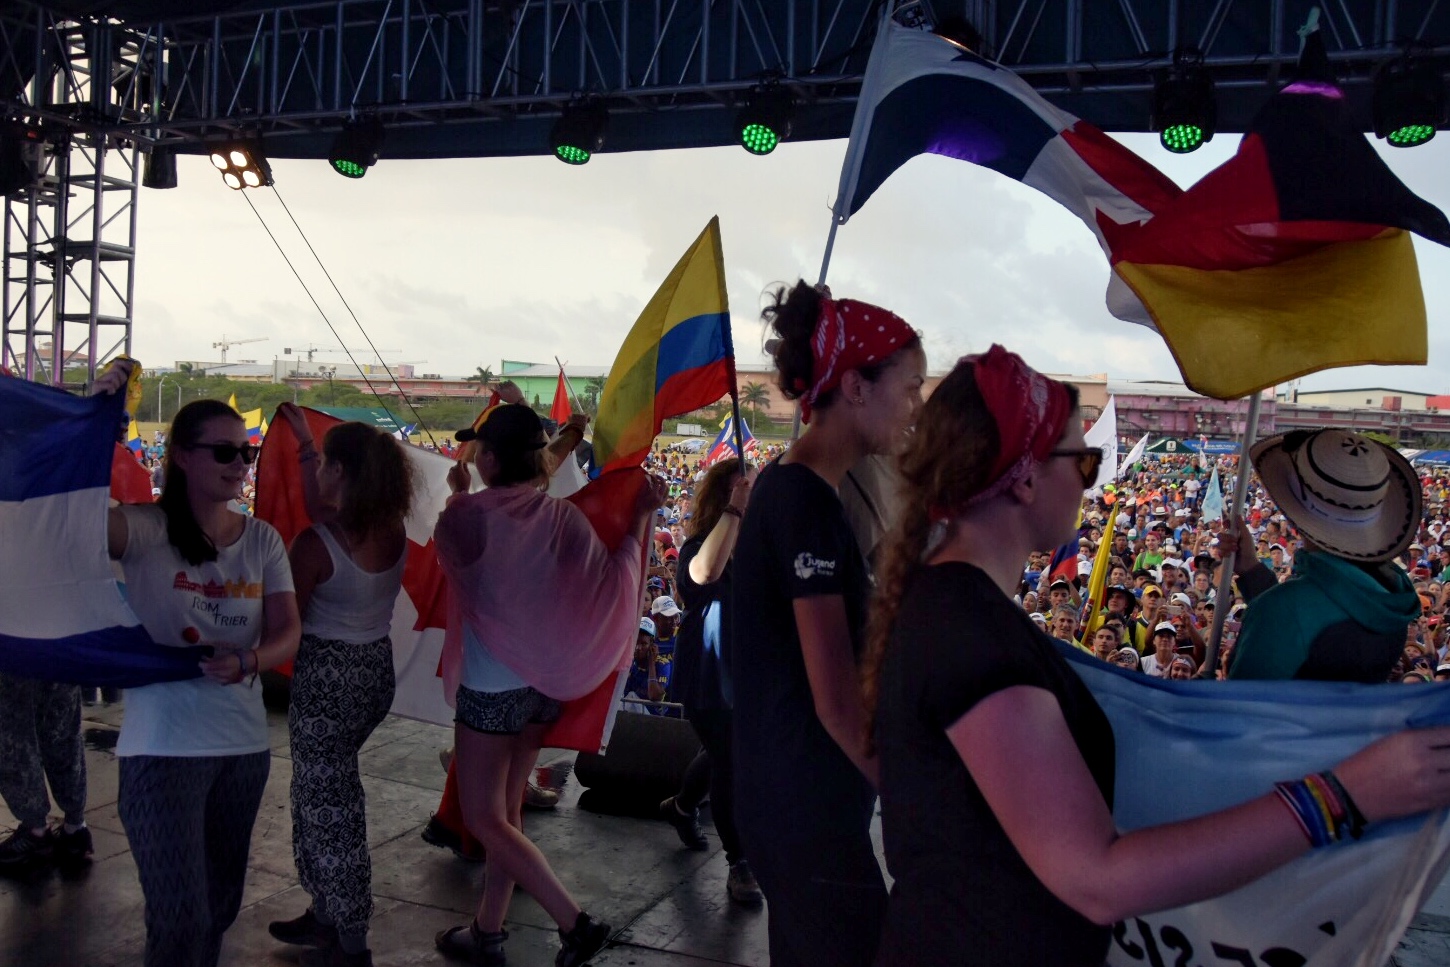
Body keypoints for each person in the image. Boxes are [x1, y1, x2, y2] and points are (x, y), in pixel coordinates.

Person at [863, 346, 1450, 966]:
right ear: (1027, 479)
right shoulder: (972, 635)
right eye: (1083, 461)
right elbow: (1097, 878)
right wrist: (1344, 794)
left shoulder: (955, 609)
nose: (1092, 480)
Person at [731, 282, 925, 966]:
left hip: (801, 804)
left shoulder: (813, 495)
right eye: (910, 388)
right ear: (855, 387)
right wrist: (921, 798)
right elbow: (836, 700)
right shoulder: (803, 504)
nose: (915, 407)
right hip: (803, 810)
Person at [432, 404, 659, 967]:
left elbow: (456, 550)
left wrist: (458, 495)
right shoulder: (562, 518)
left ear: (487, 460)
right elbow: (612, 578)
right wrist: (638, 519)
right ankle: (487, 932)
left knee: (485, 819)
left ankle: (575, 923)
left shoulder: (465, 518)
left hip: (489, 692)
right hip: (543, 692)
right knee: (507, 817)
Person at [98, 375, 301, 967]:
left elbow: (287, 630)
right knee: (179, 918)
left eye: (246, 453)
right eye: (224, 452)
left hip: (242, 749)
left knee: (217, 909)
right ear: (183, 456)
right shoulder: (145, 529)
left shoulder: (262, 540)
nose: (239, 464)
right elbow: (73, 520)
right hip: (162, 750)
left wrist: (250, 660)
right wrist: (95, 424)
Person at [266, 407, 415, 967]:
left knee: (330, 808)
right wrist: (308, 444)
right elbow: (321, 508)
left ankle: (350, 939)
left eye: (325, 462)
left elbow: (286, 623)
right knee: (321, 792)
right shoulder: (390, 529)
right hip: (373, 671)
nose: (318, 471)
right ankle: (326, 912)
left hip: (328, 682)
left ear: (343, 474)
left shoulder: (314, 545)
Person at [1226, 429, 1422, 683]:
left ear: (1295, 516)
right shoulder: (1392, 596)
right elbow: (1317, 614)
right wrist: (1252, 571)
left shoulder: (1281, 610)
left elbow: (1245, 699)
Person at [659, 457, 764, 904]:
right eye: (746, 488)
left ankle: (682, 806)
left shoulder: (761, 547)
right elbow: (704, 574)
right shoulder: (697, 545)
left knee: (723, 752)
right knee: (730, 759)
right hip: (708, 670)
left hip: (748, 668)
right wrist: (735, 512)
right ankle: (739, 862)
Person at [0, 674, 90, 869]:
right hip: (60, 658)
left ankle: (35, 830)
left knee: (12, 734)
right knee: (62, 728)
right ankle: (75, 827)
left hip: (15, 660)